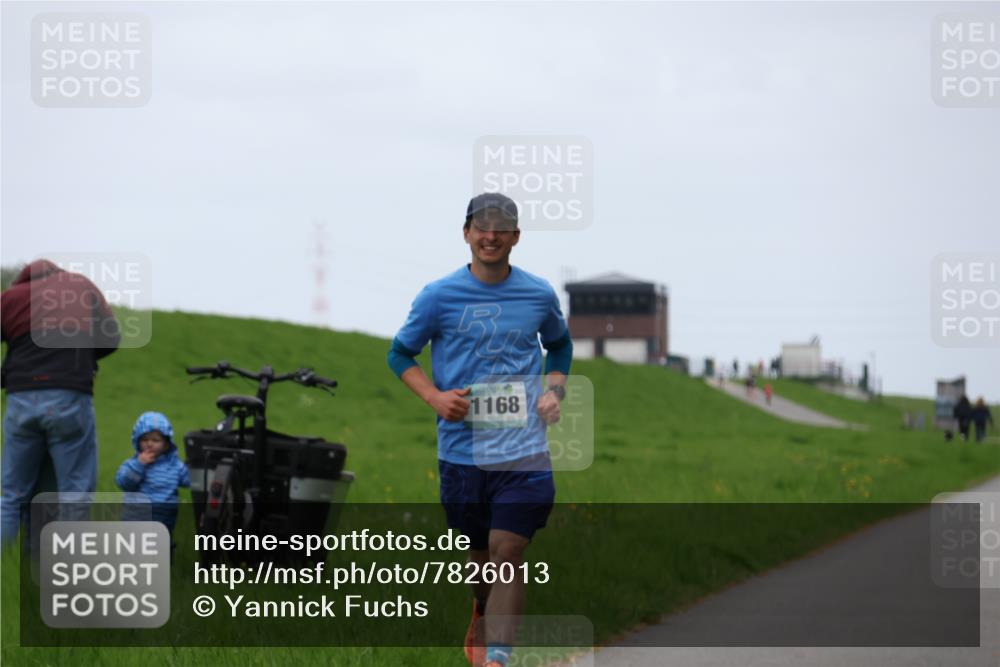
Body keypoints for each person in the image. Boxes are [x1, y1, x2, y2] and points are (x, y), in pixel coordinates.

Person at [387, 193, 572, 667]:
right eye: (481, 227)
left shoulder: (538, 294)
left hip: (524, 452)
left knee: (507, 551)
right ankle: (480, 607)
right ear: (467, 233)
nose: (491, 236)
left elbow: (560, 346)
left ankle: (499, 658)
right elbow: (399, 354)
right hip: (463, 453)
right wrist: (434, 397)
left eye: (502, 228)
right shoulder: (437, 297)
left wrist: (555, 391)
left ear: (515, 237)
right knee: (481, 561)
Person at [1, 259, 120, 544]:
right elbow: (111, 338)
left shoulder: (10, 297)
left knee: (11, 496)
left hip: (21, 400)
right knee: (74, 494)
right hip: (68, 396)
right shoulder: (79, 286)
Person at [115, 412, 191, 536]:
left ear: (166, 444)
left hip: (164, 522)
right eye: (145, 439)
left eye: (156, 440)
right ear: (138, 441)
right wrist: (139, 464)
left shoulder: (175, 466)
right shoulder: (132, 463)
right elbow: (123, 482)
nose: (149, 443)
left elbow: (190, 480)